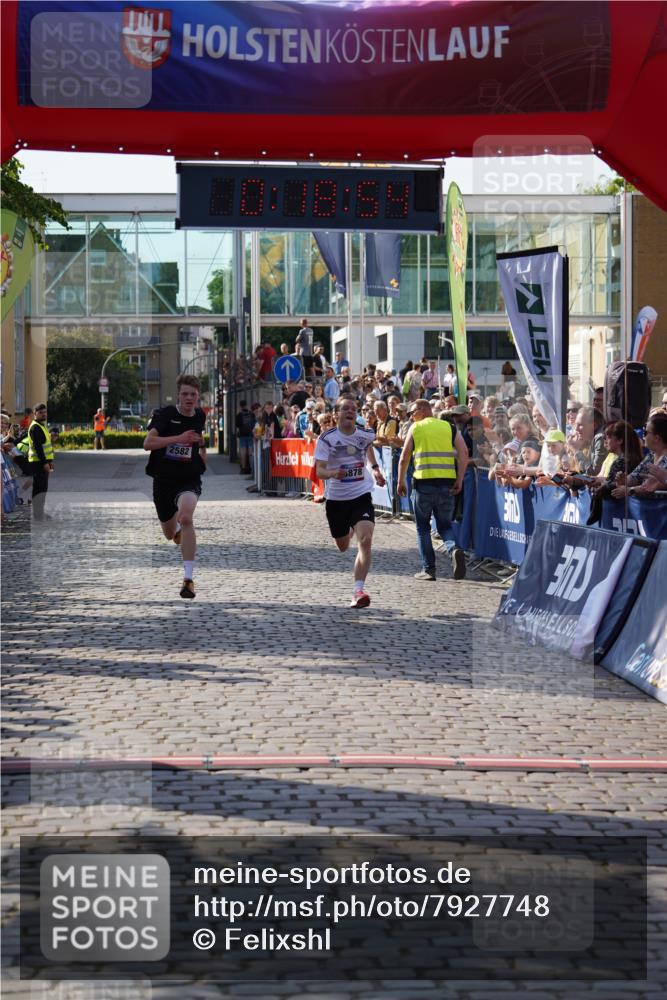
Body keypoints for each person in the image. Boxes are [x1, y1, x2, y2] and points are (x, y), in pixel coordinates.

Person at [314, 396, 386, 608]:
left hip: (361, 495)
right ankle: (349, 529)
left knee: (365, 540)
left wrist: (374, 469)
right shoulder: (326, 439)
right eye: (345, 408)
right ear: (336, 414)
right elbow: (319, 470)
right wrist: (332, 473)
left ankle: (358, 590)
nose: (350, 411)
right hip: (336, 500)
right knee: (343, 546)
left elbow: (368, 445)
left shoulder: (364, 433)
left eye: (353, 408)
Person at [143, 375, 207, 600]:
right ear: (178, 395)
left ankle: (188, 580)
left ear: (198, 396)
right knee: (170, 534)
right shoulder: (165, 415)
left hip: (188, 478)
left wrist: (202, 453)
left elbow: (198, 441)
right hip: (163, 480)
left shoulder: (200, 415)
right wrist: (178, 438)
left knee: (187, 517)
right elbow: (147, 444)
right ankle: (177, 531)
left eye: (193, 394)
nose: (189, 398)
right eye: (185, 394)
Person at [397, 398, 468, 581]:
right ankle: (454, 549)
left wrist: (400, 481)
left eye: (413, 412)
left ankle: (429, 570)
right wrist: (459, 478)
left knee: (422, 527)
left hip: (423, 483)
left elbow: (404, 457)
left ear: (422, 410)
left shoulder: (416, 427)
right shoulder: (449, 427)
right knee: (445, 525)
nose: (411, 417)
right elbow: (464, 453)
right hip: (446, 484)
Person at [24, 403, 54, 521]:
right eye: (41, 412)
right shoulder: (35, 427)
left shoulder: (41, 426)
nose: (43, 414)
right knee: (39, 489)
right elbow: (38, 447)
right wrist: (44, 463)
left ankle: (39, 513)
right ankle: (38, 515)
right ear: (35, 413)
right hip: (37, 463)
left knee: (42, 489)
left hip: (41, 462)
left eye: (45, 412)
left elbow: (46, 446)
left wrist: (50, 461)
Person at [235, 399, 255, 474]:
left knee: (243, 452)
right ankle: (251, 467)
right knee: (250, 452)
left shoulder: (239, 415)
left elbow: (237, 426)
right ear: (246, 405)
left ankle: (243, 468)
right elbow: (253, 424)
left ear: (240, 406)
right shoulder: (251, 413)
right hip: (250, 435)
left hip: (242, 435)